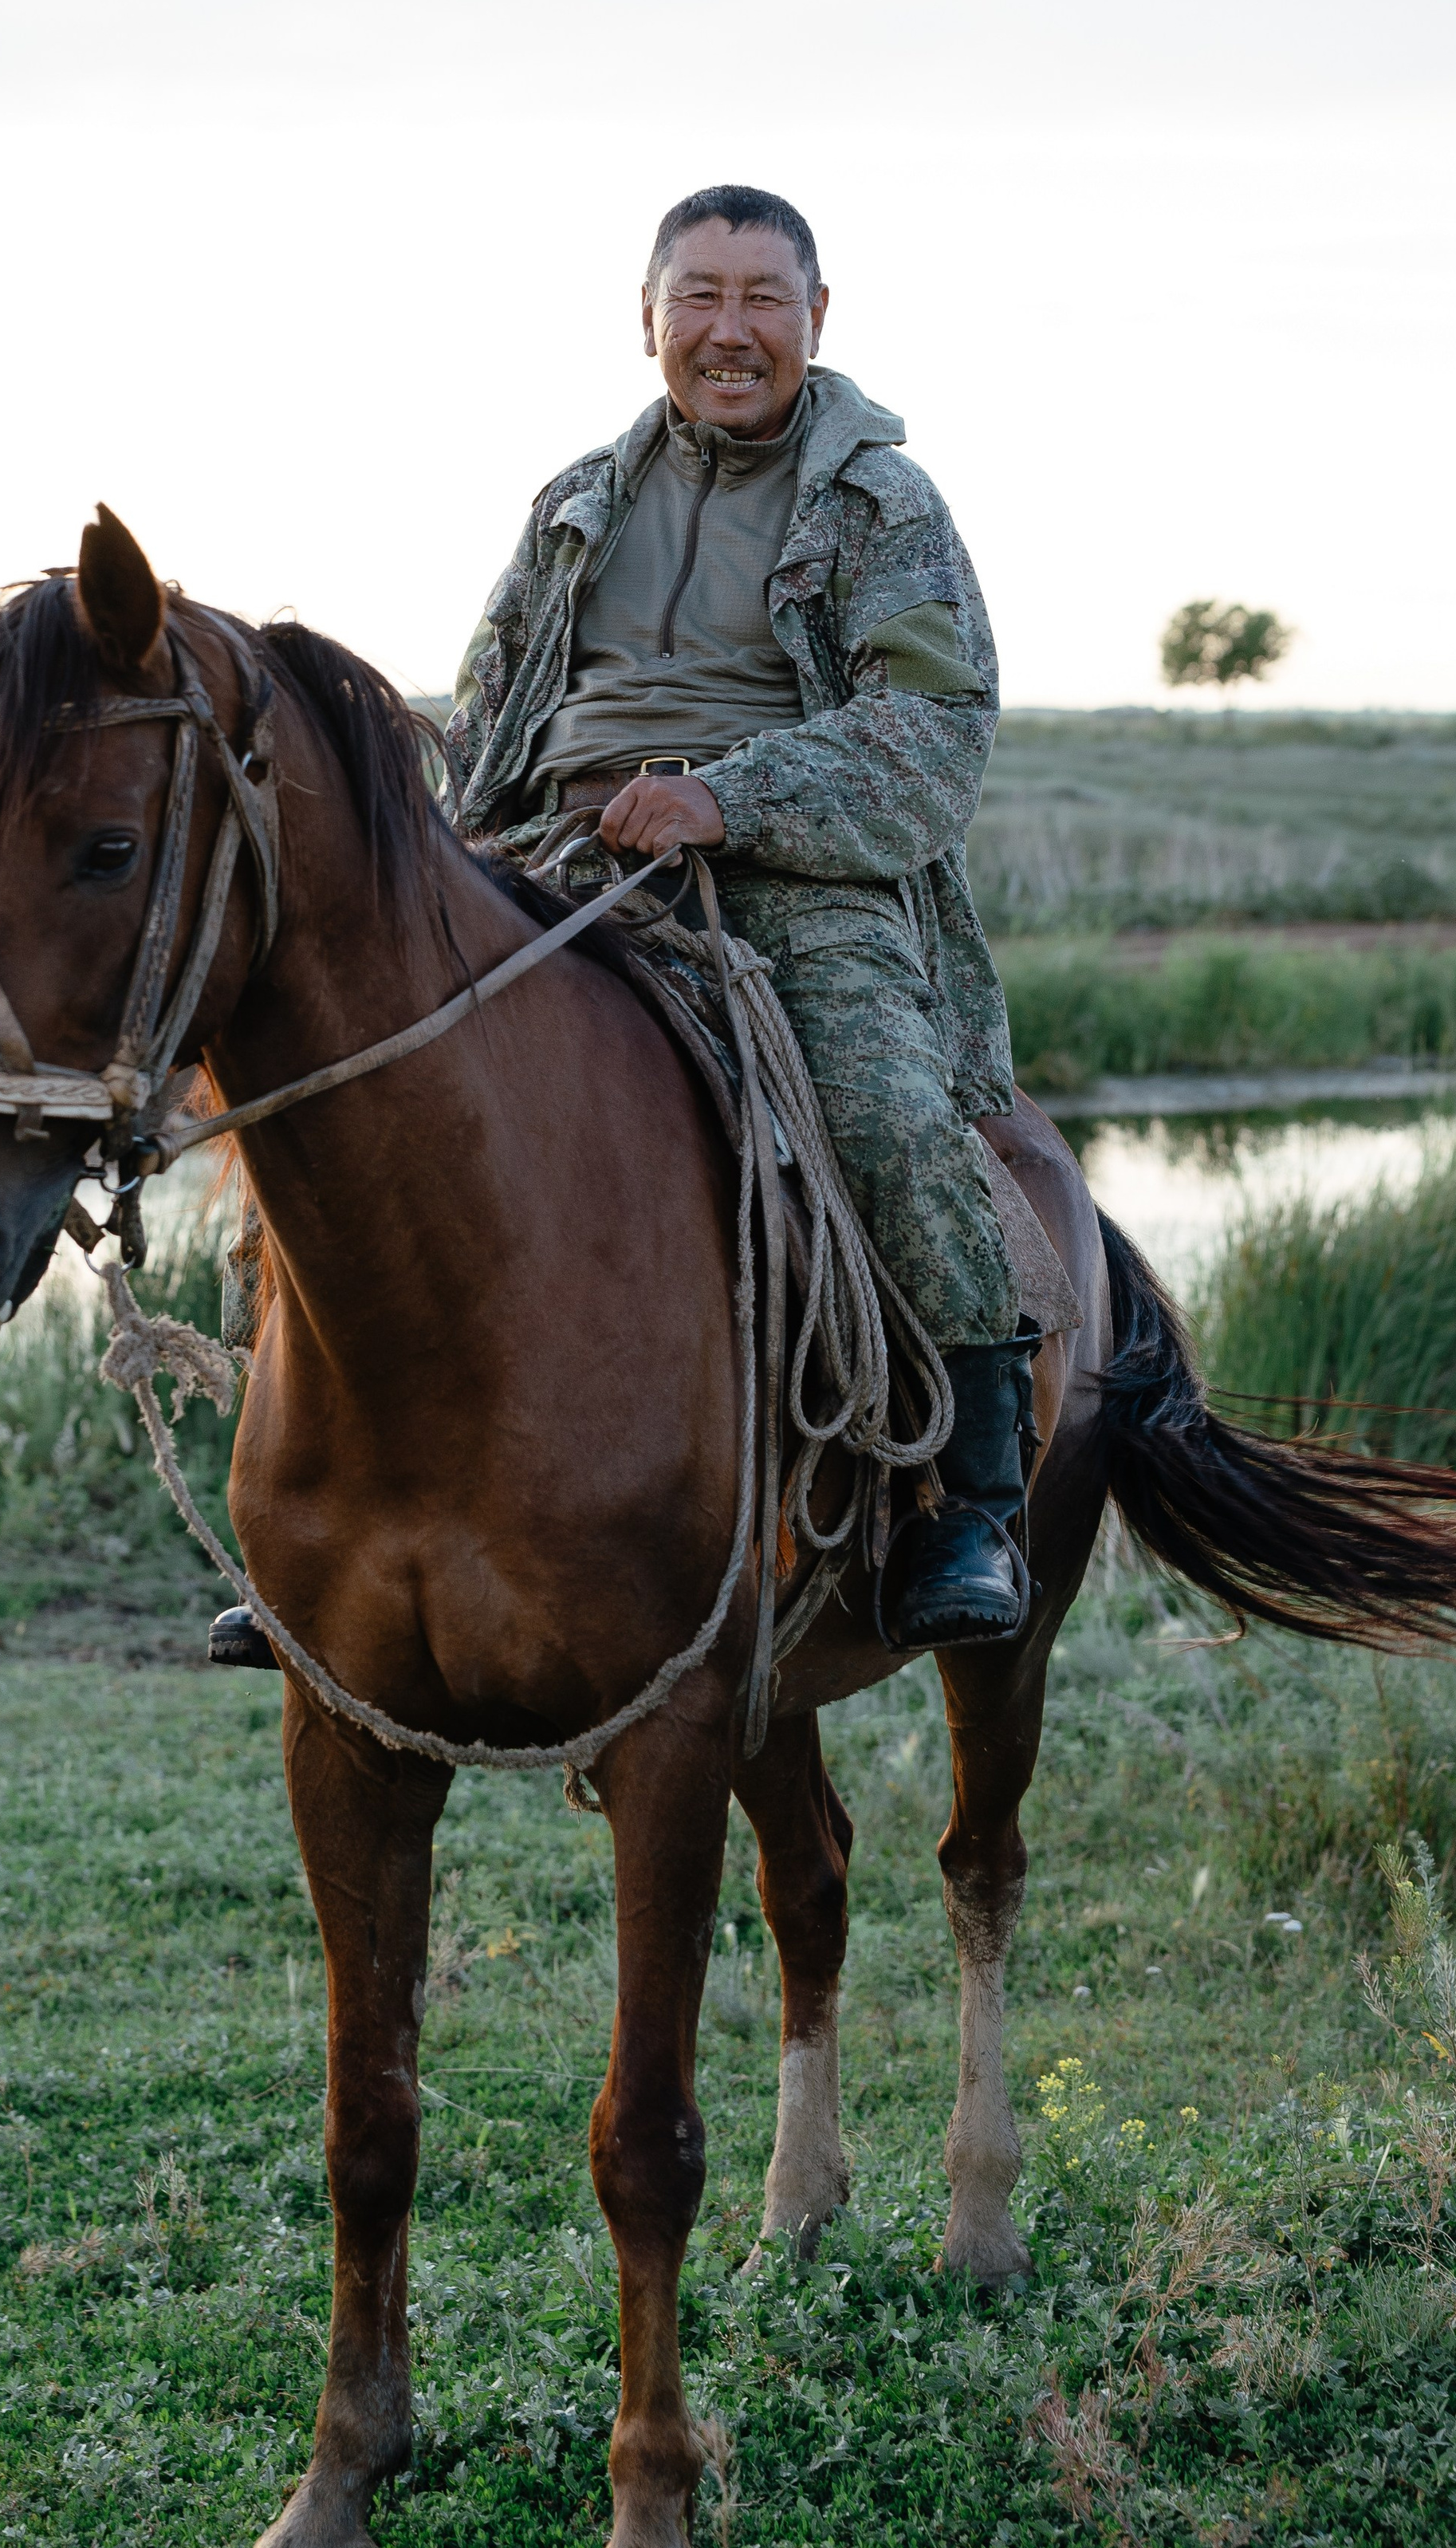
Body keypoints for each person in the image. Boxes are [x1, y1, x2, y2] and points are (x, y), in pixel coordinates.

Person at [443, 183, 1033, 1649]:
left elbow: (933, 735)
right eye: (698, 296)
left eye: (763, 297)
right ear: (645, 319)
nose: (730, 329)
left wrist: (728, 795)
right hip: (556, 857)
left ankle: (972, 1502)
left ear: (816, 319)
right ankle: (322, 1498)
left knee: (891, 1118)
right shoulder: (575, 503)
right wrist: (434, 850)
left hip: (793, 877)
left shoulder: (883, 505)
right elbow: (485, 710)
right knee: (361, 1066)